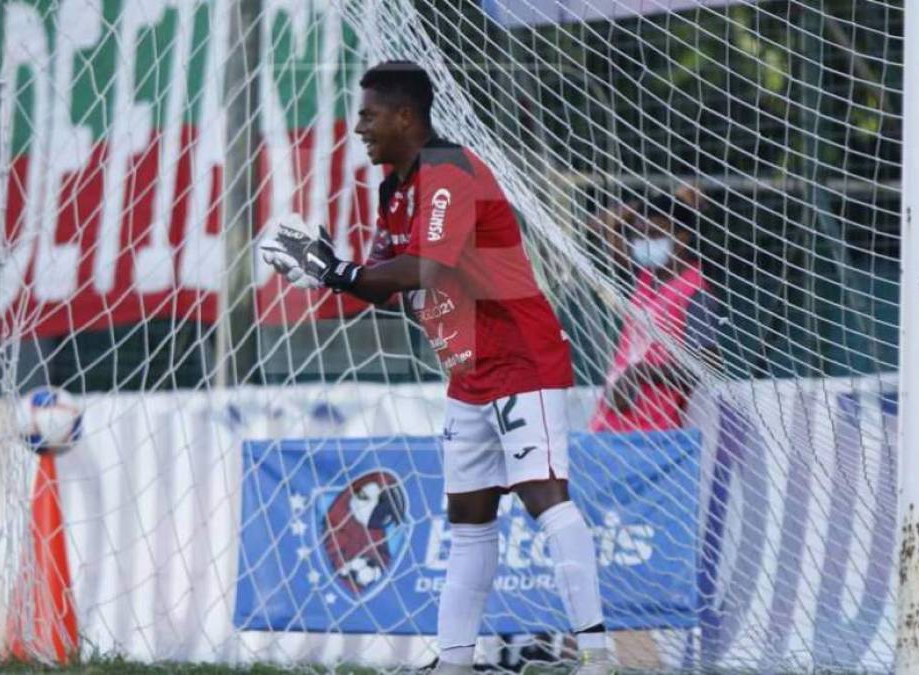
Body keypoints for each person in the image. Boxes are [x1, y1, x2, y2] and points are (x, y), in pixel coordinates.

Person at [261, 61, 613, 675]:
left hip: (518, 356)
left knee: (544, 497)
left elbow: (423, 267)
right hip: (466, 371)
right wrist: (325, 266)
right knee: (469, 520)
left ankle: (598, 654)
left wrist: (337, 273)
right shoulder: (393, 189)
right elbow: (379, 283)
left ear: (405, 116)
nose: (361, 128)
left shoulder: (449, 169)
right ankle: (453, 664)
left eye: (369, 115)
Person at [590, 191, 720, 434]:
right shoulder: (647, 276)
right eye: (639, 234)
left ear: (681, 238)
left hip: (653, 433)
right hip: (612, 423)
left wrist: (641, 373)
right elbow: (599, 224)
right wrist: (646, 203)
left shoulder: (696, 292)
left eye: (654, 234)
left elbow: (708, 366)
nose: (644, 242)